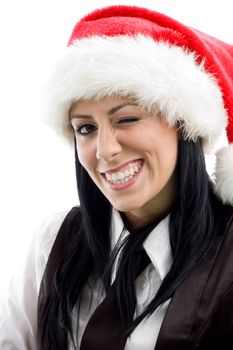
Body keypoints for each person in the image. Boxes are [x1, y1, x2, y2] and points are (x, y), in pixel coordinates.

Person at [1, 4, 233, 350]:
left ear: (184, 125)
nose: (104, 150)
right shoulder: (53, 243)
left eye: (126, 119)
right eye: (86, 128)